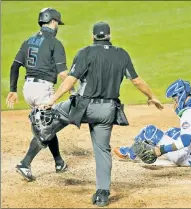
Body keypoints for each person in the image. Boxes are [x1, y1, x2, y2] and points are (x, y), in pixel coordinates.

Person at [37, 21, 163, 206]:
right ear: (109, 36)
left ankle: (44, 135)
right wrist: (152, 96)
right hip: (107, 111)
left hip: (84, 108)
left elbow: (70, 81)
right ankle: (103, 193)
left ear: (93, 36)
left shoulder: (85, 52)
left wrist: (51, 100)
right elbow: (136, 81)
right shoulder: (122, 54)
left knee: (55, 113)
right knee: (102, 150)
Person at [6, 8, 72, 181]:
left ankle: (59, 162)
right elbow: (63, 74)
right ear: (53, 22)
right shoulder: (55, 43)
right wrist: (73, 89)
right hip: (43, 89)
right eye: (57, 23)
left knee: (47, 123)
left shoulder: (28, 41)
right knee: (48, 127)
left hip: (28, 89)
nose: (58, 26)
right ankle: (25, 163)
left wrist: (12, 89)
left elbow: (14, 66)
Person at [114, 79, 191, 167]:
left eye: (174, 99)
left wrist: (160, 150)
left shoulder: (189, 114)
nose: (174, 103)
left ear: (180, 96)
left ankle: (129, 153)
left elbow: (184, 142)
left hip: (187, 158)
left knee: (149, 131)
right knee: (172, 132)